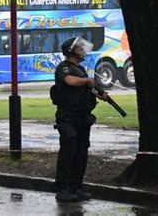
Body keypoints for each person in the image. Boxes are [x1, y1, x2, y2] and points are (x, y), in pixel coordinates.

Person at [50, 37, 107, 202]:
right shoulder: (65, 68)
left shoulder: (80, 69)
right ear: (71, 51)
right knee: (68, 153)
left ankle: (76, 187)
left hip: (82, 117)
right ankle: (62, 189)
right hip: (68, 117)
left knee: (81, 153)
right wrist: (88, 81)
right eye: (80, 49)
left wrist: (98, 94)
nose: (83, 51)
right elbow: (70, 81)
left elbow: (84, 89)